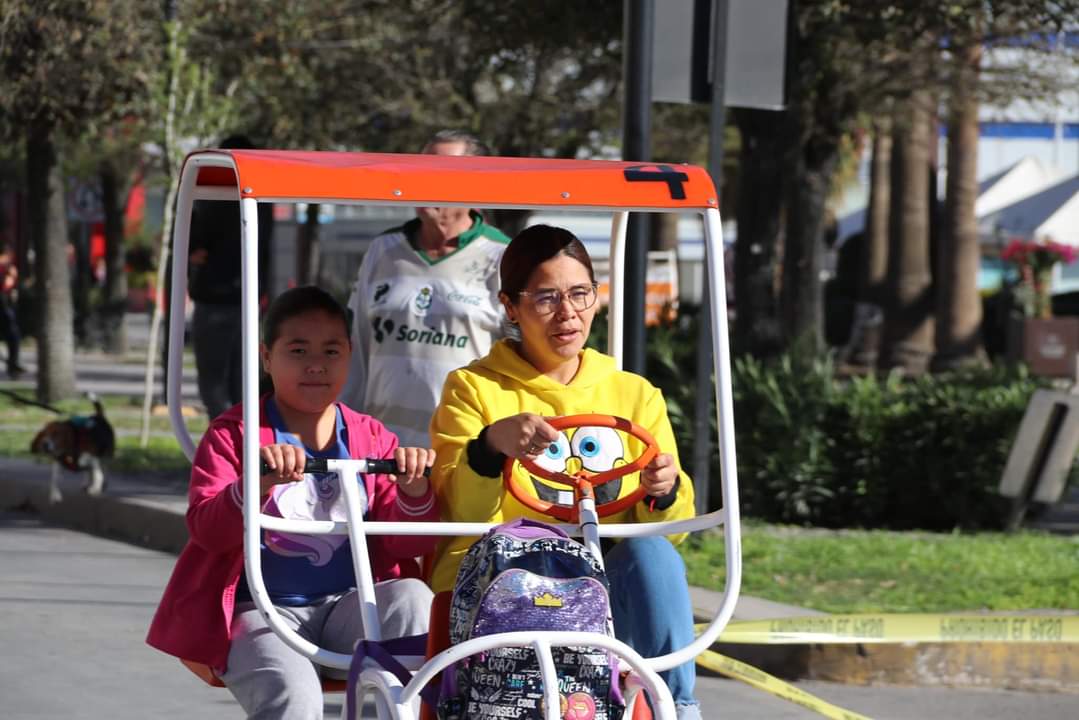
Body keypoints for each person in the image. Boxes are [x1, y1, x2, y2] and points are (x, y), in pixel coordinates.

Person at [428, 225, 702, 719]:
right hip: (500, 576)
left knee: (652, 553)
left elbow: (672, 531)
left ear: (598, 297)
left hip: (601, 578)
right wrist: (491, 447)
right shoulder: (472, 388)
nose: (568, 313)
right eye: (546, 298)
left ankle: (678, 708)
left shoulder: (634, 394)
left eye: (580, 294)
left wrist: (663, 491)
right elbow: (458, 508)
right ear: (510, 306)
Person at [147, 286, 439, 720]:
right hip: (262, 612)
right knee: (295, 698)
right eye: (298, 350)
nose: (316, 365)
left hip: (348, 606)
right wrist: (255, 485)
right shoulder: (235, 435)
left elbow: (398, 545)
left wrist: (415, 491)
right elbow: (207, 529)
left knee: (413, 597)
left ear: (349, 355)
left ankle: (408, 710)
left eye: (331, 351)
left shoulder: (370, 436)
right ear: (267, 357)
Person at [340, 130, 509, 447]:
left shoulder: (502, 256)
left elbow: (518, 361)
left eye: (442, 171)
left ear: (477, 182)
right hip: (382, 451)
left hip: (461, 451)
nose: (425, 179)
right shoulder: (383, 249)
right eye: (420, 168)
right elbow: (357, 349)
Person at [188, 134, 274, 418]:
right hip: (247, 299)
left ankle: (228, 441)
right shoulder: (262, 199)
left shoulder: (211, 198)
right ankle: (245, 441)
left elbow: (194, 246)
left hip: (214, 297)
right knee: (243, 381)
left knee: (213, 382)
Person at [0, 245, 24, 378]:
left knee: (13, 335)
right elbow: (7, 286)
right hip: (3, 306)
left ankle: (13, 365)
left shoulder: (7, 268)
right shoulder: (5, 268)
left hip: (5, 305)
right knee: (13, 336)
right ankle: (13, 365)